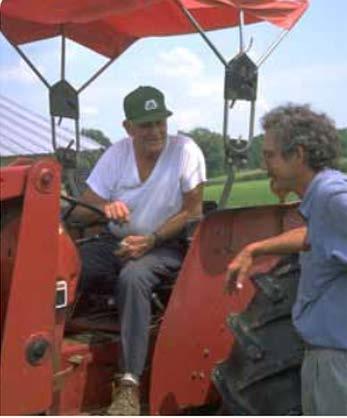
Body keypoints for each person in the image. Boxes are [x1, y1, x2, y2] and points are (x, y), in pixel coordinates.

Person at [73, 86, 206, 415]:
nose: (155, 131)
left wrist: (152, 240)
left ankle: (128, 387)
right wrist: (106, 207)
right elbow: (79, 211)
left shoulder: (185, 150)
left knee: (134, 277)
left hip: (167, 244)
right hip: (116, 241)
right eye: (145, 125)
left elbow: (193, 211)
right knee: (70, 265)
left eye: (160, 122)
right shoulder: (116, 155)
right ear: (128, 127)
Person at [226, 104, 347, 415]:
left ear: (299, 154)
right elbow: (316, 237)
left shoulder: (331, 198)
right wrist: (256, 249)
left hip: (337, 362)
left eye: (270, 155)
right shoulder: (324, 198)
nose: (266, 165)